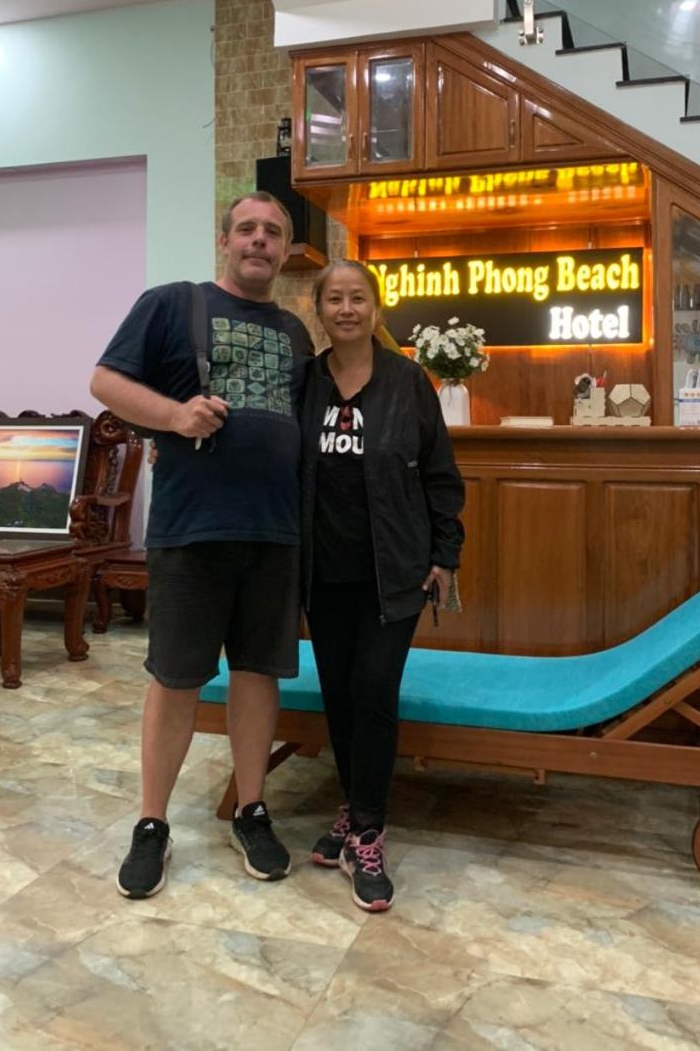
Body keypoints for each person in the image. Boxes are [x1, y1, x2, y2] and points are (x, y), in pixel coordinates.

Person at [90, 192, 314, 898]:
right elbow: (105, 382)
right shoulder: (173, 303)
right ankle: (152, 823)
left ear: (285, 251)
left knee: (257, 673)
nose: (259, 240)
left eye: (272, 232)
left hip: (275, 530)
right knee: (176, 677)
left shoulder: (296, 333)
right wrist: (175, 416)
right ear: (225, 240)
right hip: (191, 528)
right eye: (247, 228)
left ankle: (251, 810)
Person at [300, 259, 465, 911]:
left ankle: (368, 833)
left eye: (357, 298)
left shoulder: (407, 381)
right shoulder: (305, 382)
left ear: (375, 308)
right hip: (323, 573)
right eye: (334, 299)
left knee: (373, 691)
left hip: (394, 571)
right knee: (339, 697)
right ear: (320, 309)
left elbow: (441, 474)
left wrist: (445, 554)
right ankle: (352, 809)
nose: (346, 309)